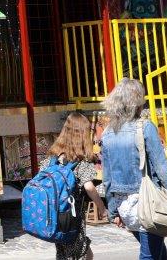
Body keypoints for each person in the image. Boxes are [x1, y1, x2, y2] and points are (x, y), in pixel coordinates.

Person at [100, 78, 167, 260]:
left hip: (123, 204)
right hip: (147, 202)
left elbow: (107, 178)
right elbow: (163, 171)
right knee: (149, 255)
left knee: (158, 253)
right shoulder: (145, 127)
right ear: (137, 102)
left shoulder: (107, 133)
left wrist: (113, 211)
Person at [45, 111, 106, 260]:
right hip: (72, 216)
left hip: (55, 214)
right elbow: (89, 187)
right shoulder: (80, 160)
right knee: (78, 253)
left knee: (67, 252)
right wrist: (102, 208)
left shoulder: (53, 157)